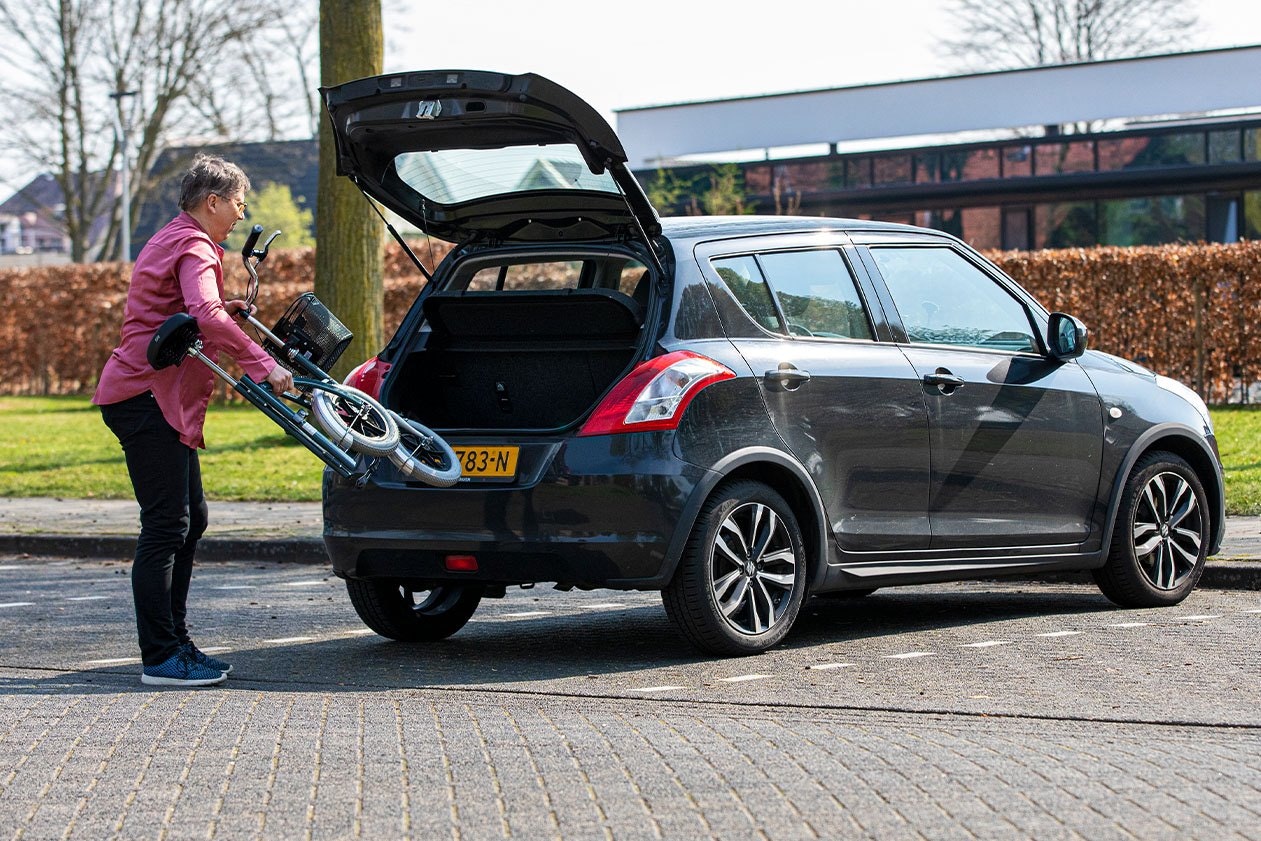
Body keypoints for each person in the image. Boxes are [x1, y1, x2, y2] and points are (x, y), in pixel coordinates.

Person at [93, 153, 294, 687]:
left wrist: (224, 310)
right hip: (145, 396)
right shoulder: (195, 244)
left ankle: (177, 643)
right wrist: (263, 362)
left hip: (149, 396)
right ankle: (161, 656)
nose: (240, 214)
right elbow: (200, 316)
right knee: (166, 524)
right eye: (238, 204)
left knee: (191, 517)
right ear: (214, 201)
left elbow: (187, 310)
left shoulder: (175, 237)